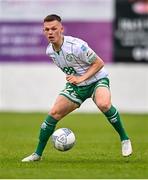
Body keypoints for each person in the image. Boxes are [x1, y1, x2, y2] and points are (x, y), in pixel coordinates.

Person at [22, 14, 132, 162]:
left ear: (61, 29)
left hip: (97, 80)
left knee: (104, 104)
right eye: (46, 29)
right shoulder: (50, 51)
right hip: (78, 86)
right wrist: (76, 81)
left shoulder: (76, 45)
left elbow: (99, 63)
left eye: (54, 28)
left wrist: (80, 78)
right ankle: (37, 154)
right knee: (54, 113)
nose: (50, 32)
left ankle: (124, 139)